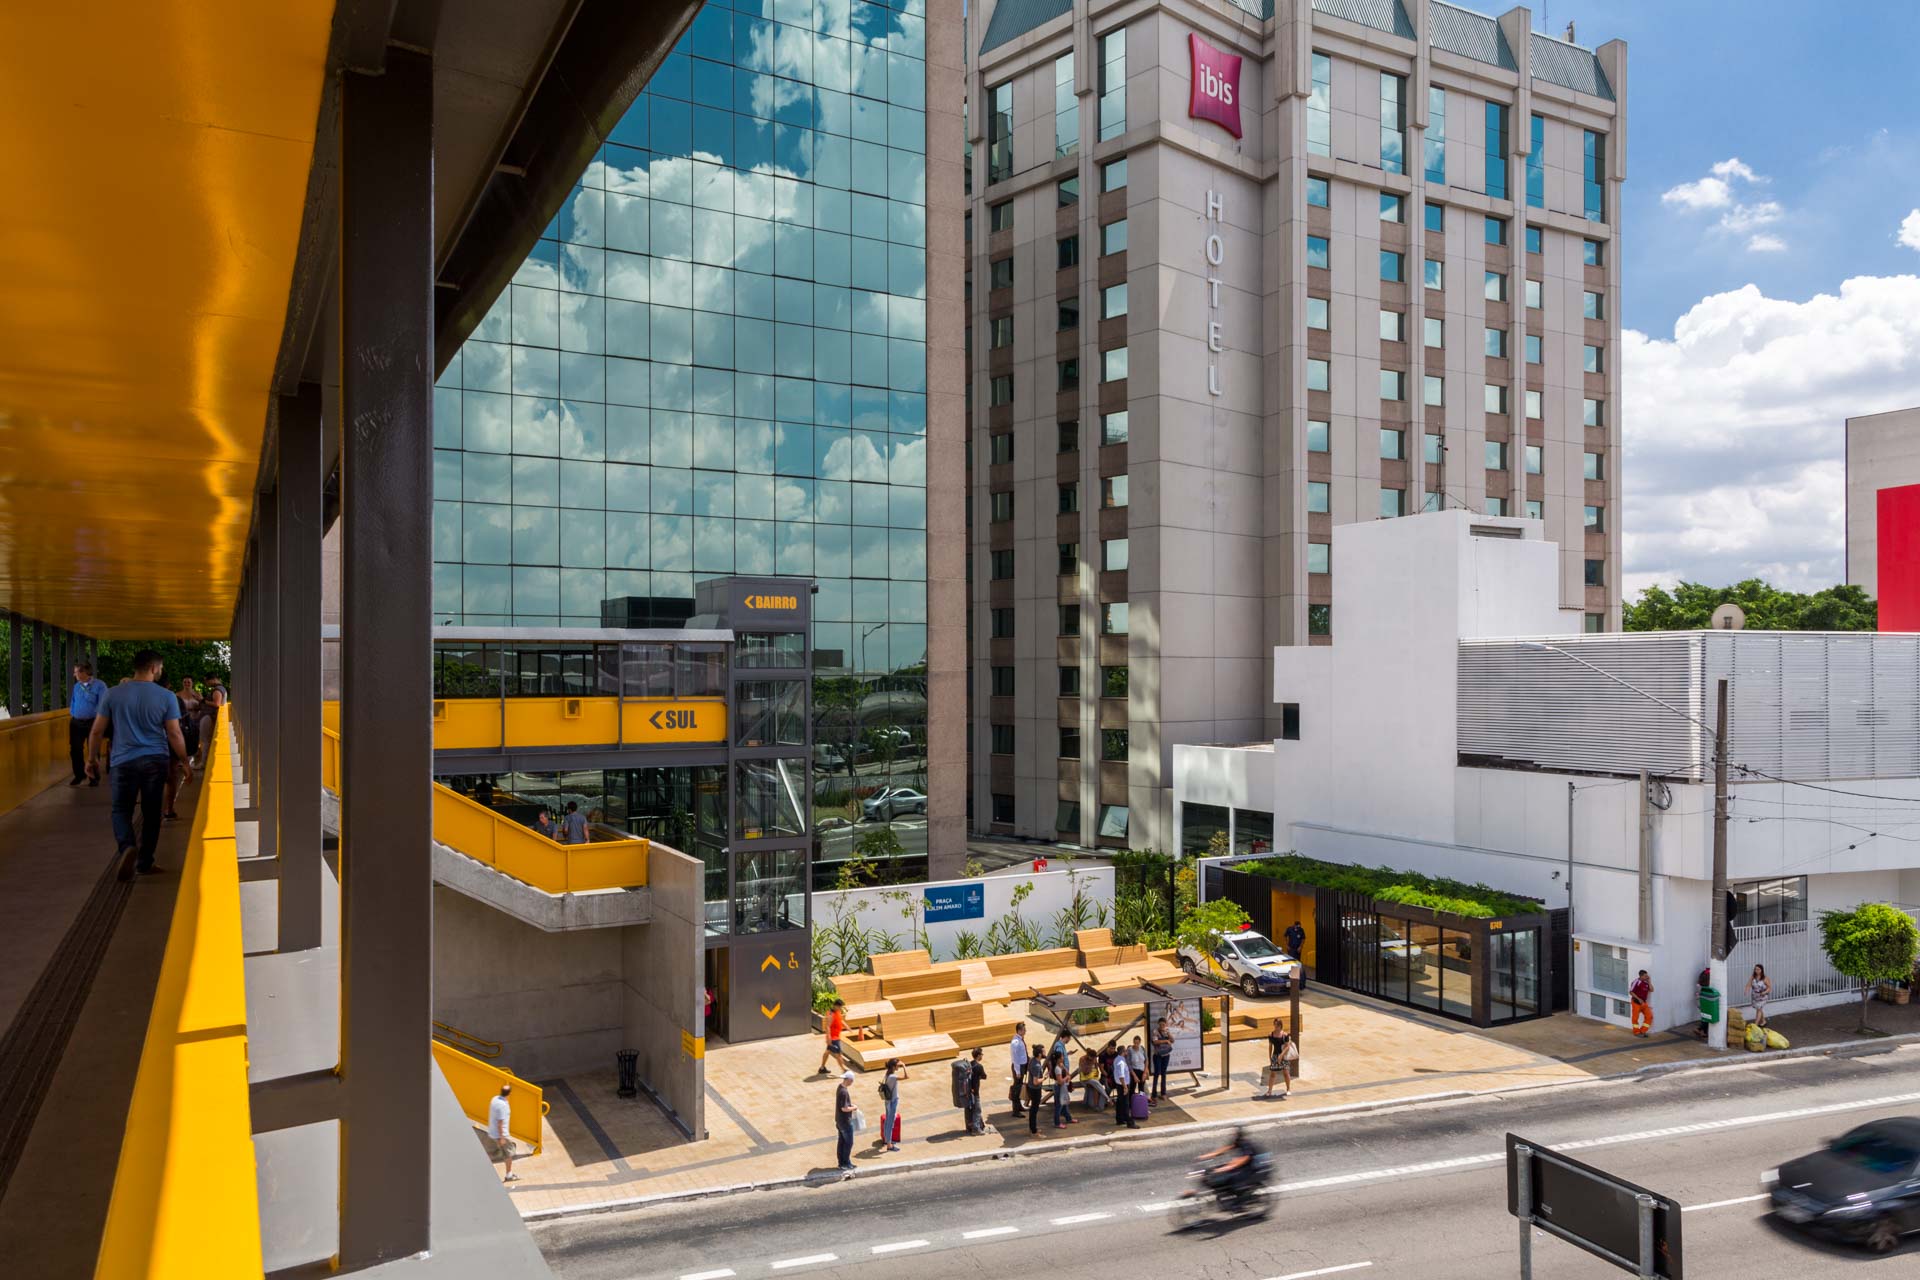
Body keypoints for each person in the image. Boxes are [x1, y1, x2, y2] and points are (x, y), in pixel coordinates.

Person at [87, 650, 190, 879]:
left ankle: (127, 847)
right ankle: (144, 862)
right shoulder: (166, 696)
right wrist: (184, 761)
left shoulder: (113, 694)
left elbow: (97, 731)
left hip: (122, 761)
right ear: (154, 668)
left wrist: (92, 759)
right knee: (152, 813)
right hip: (155, 759)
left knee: (121, 809)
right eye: (160, 668)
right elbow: (173, 733)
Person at [68, 661, 109, 786]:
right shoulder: (76, 686)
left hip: (93, 721)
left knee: (93, 749)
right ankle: (79, 775)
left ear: (84, 672)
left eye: (76, 672)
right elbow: (73, 701)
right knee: (75, 749)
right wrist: (73, 713)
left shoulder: (100, 685)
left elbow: (103, 704)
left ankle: (94, 777)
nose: (74, 675)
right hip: (76, 722)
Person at [1199, 1126, 1261, 1199]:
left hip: (1249, 1169)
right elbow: (1223, 1150)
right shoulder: (1238, 1141)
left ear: (1239, 1134)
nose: (1232, 1134)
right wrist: (1205, 1156)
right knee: (1210, 1171)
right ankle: (1224, 1193)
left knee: (1229, 1179)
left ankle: (1237, 1205)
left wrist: (1224, 1168)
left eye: (1234, 1133)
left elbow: (1244, 1159)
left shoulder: (1246, 1144)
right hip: (1240, 1166)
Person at [488, 1084, 520, 1182]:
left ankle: (509, 1174)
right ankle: (509, 1175)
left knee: (500, 1152)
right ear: (509, 1093)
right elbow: (500, 1123)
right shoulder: (503, 1106)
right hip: (500, 1135)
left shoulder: (495, 1099)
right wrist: (502, 1137)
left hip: (492, 1132)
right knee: (509, 1154)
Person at [877, 1057, 906, 1152]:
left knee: (888, 1122)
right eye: (898, 1065)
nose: (899, 1066)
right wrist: (905, 1066)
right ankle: (889, 1145)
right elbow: (906, 1077)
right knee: (890, 1123)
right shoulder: (893, 1077)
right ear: (893, 1066)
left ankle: (887, 1140)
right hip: (892, 1102)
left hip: (888, 1101)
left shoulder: (888, 1074)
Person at [834, 1069, 858, 1177]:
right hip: (845, 1121)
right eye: (851, 1080)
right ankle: (846, 1163)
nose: (852, 1082)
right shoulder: (844, 1092)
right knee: (848, 1143)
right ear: (848, 1079)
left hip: (839, 1120)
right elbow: (844, 1108)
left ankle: (841, 1163)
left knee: (841, 1142)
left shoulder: (840, 1087)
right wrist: (854, 1107)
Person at [1261, 1025, 1294, 1099]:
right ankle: (1269, 1091)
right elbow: (1270, 1046)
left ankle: (1288, 1089)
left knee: (1286, 1073)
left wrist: (1281, 1055)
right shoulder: (1271, 1035)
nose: (1275, 1027)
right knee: (1272, 1074)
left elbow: (1287, 1046)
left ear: (1280, 1026)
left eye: (1277, 1025)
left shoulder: (1285, 1035)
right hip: (1275, 1055)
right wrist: (1270, 1056)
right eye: (1274, 1025)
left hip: (1283, 1057)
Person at [818, 999, 848, 1075]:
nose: (841, 1008)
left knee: (827, 1052)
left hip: (835, 1037)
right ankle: (844, 1070)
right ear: (836, 1006)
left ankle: (822, 1068)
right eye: (840, 1007)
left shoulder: (837, 1012)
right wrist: (829, 1038)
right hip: (833, 1038)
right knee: (838, 1054)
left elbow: (840, 1020)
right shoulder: (831, 1014)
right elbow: (827, 1026)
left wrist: (846, 1026)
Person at [1111, 1045, 1137, 1128]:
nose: (1126, 1052)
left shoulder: (1117, 1059)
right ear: (1123, 1052)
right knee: (1125, 1104)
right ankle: (1129, 1121)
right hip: (1123, 1085)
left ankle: (1120, 1119)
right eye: (1125, 1051)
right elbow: (1121, 1076)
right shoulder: (1121, 1062)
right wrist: (1125, 1087)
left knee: (1120, 1102)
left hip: (1120, 1085)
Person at [964, 1047, 988, 1135]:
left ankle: (969, 1126)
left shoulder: (969, 1065)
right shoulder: (979, 1066)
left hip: (967, 1091)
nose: (982, 1056)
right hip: (975, 1092)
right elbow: (984, 1076)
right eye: (981, 1055)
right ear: (978, 1056)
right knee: (977, 1110)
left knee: (969, 1109)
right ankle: (976, 1129)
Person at [1008, 1022, 1030, 1116]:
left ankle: (1019, 1106)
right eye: (1024, 1030)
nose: (1025, 1031)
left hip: (1022, 1066)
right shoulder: (1015, 1042)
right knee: (1017, 1088)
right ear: (1019, 1030)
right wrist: (1017, 1071)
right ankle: (1015, 1110)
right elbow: (1015, 1057)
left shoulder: (1020, 1040)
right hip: (1019, 1067)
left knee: (1020, 1086)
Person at [1024, 1046, 1046, 1135]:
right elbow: (1036, 1082)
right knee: (1034, 1109)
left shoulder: (1033, 1060)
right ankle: (1033, 1129)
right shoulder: (1036, 1065)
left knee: (1033, 1109)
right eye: (1044, 1051)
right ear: (1040, 1054)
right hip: (1035, 1089)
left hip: (1030, 1087)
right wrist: (1044, 1078)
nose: (1045, 1053)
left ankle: (1032, 1128)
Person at [1150, 1018, 1174, 1099]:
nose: (1162, 1026)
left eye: (1163, 1024)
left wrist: (1168, 1034)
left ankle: (1163, 1093)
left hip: (1166, 1055)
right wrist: (1165, 1041)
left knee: (1164, 1074)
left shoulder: (1167, 1031)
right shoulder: (1155, 1031)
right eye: (1160, 1024)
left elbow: (1173, 1040)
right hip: (1157, 1056)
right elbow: (1155, 1042)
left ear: (1166, 1024)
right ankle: (1154, 1094)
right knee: (1156, 1074)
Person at [1049, 1049, 1073, 1128]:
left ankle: (1068, 1118)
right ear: (1059, 1058)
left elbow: (1068, 1073)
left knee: (1065, 1104)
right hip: (1059, 1087)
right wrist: (1066, 1077)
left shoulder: (1060, 1066)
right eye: (1062, 1056)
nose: (1063, 1057)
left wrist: (1065, 1068)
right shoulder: (1057, 1069)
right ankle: (1057, 1123)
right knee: (1058, 1106)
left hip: (1063, 1087)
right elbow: (1060, 1081)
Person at [1629, 969, 1654, 1037]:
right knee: (1635, 1018)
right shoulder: (1636, 982)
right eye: (1645, 976)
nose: (1647, 977)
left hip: (1644, 1003)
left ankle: (1643, 1031)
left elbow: (1651, 990)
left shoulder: (1646, 983)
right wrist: (1638, 999)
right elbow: (1631, 992)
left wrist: (1649, 981)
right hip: (1636, 1003)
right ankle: (1636, 1032)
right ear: (1641, 976)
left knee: (1649, 1016)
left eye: (1647, 976)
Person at [1749, 964, 1771, 1028]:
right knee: (1759, 1009)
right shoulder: (1753, 977)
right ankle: (1763, 1021)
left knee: (1759, 1009)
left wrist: (1764, 992)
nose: (1757, 970)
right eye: (1755, 969)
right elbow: (1750, 984)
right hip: (1755, 996)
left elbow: (1769, 988)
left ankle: (1755, 1025)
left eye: (1758, 969)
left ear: (1761, 970)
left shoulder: (1765, 978)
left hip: (1763, 996)